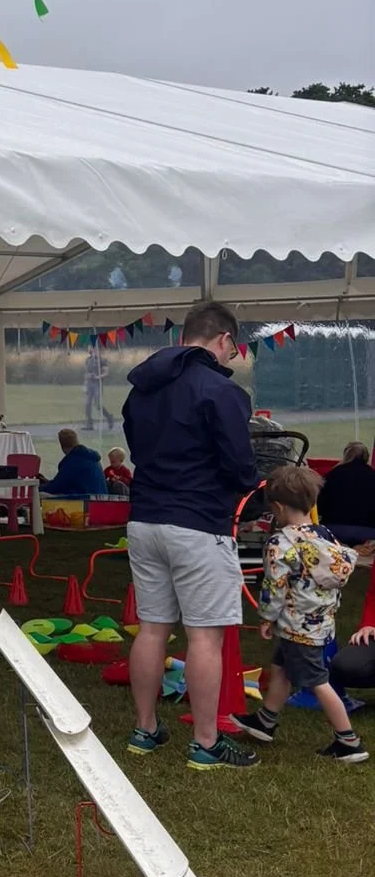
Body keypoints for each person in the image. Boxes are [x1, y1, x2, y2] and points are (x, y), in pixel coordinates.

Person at [122, 300, 261, 770]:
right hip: (198, 522)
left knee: (152, 628)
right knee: (204, 637)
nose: (232, 357)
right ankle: (205, 742)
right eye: (233, 349)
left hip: (144, 518)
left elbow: (137, 445)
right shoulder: (218, 390)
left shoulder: (142, 386)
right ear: (223, 340)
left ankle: (146, 729)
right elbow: (242, 465)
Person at [234, 465, 363, 762]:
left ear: (277, 506)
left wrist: (266, 617)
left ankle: (349, 741)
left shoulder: (281, 543)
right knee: (281, 667)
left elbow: (274, 587)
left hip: (296, 628)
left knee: (317, 681)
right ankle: (266, 720)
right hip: (319, 625)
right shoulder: (325, 535)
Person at [317, 440, 375, 546]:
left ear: (346, 455)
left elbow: (319, 506)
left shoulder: (332, 475)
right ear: (367, 456)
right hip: (369, 532)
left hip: (334, 530)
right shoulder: (373, 475)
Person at [40, 429, 105, 498]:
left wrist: (36, 488)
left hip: (83, 501)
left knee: (41, 495)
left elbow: (56, 486)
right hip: (100, 501)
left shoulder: (72, 461)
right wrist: (48, 483)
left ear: (62, 445)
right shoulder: (93, 458)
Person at [83, 340, 115, 431]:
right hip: (89, 384)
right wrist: (85, 383)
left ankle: (109, 417)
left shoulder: (102, 360)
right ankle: (89, 424)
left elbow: (106, 372)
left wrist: (97, 377)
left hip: (97, 384)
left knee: (97, 405)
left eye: (90, 347)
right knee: (87, 404)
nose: (88, 349)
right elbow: (86, 372)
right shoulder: (88, 360)